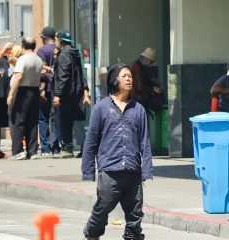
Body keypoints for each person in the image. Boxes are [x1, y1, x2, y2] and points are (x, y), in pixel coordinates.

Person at [82, 63, 152, 240]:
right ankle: (91, 235)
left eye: (130, 76)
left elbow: (145, 142)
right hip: (110, 172)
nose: (129, 79)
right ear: (114, 80)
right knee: (101, 210)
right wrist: (88, 171)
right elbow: (91, 142)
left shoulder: (139, 109)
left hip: (133, 172)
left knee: (135, 216)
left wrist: (147, 169)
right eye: (124, 76)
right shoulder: (101, 108)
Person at [52, 29, 87, 158]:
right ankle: (84, 148)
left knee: (65, 122)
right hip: (75, 93)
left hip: (66, 95)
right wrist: (85, 89)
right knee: (77, 122)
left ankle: (67, 148)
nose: (55, 41)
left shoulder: (64, 54)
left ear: (60, 40)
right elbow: (80, 73)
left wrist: (57, 94)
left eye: (56, 39)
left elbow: (63, 75)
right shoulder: (73, 52)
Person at [7, 37, 43, 160]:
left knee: (16, 121)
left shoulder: (22, 59)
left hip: (22, 91)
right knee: (32, 122)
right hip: (34, 91)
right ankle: (32, 151)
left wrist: (11, 94)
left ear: (22, 45)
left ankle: (17, 151)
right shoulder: (38, 59)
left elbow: (18, 77)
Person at [36, 26, 60, 158]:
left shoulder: (42, 50)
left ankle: (45, 148)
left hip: (46, 89)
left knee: (43, 118)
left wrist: (42, 89)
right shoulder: (58, 49)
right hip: (57, 88)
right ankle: (56, 148)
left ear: (44, 38)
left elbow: (42, 72)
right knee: (55, 118)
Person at [131, 47, 164, 117]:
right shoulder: (137, 67)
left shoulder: (141, 66)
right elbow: (139, 86)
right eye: (150, 61)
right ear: (146, 59)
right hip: (139, 98)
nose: (151, 63)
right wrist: (153, 88)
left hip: (140, 98)